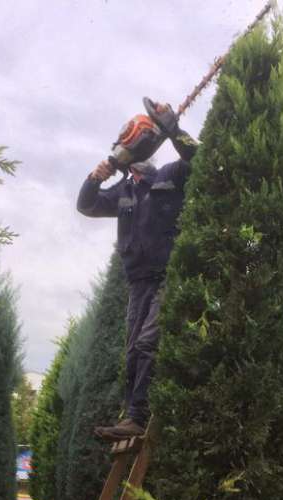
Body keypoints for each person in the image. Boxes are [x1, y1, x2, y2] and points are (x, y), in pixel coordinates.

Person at [76, 102, 198, 440]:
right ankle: (133, 416)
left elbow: (201, 161)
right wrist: (94, 178)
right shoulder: (124, 191)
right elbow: (87, 205)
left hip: (169, 277)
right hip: (138, 283)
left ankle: (140, 415)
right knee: (132, 349)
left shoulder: (171, 176)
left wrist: (172, 129)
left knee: (147, 342)